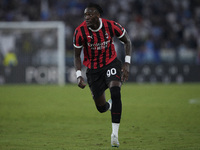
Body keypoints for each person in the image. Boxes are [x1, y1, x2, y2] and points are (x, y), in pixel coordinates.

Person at [73, 3, 132, 147]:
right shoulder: (80, 31)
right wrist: (79, 75)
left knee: (115, 91)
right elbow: (76, 56)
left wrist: (127, 63)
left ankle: (114, 135)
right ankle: (108, 106)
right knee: (101, 107)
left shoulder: (111, 26)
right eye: (85, 15)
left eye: (90, 14)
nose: (87, 17)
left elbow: (127, 41)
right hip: (93, 70)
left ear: (98, 16)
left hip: (111, 63)